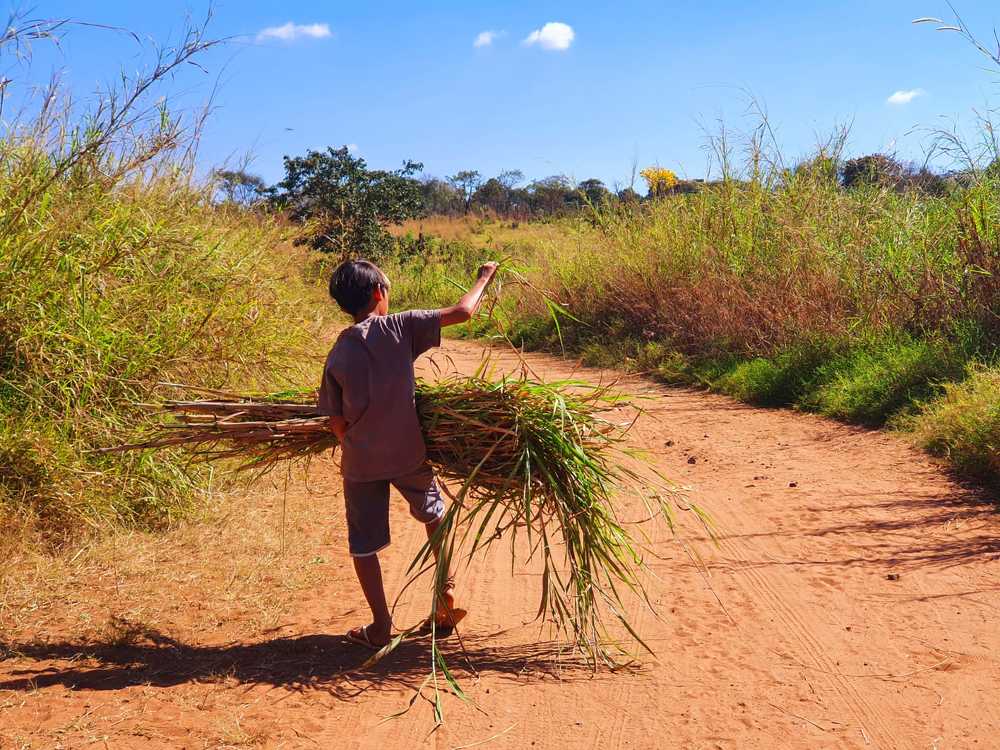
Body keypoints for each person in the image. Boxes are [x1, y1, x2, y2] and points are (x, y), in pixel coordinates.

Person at [318, 258, 499, 649]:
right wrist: (484, 277)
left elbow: (336, 421)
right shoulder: (399, 326)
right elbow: (464, 311)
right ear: (378, 293)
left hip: (361, 461)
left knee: (363, 543)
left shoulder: (338, 350)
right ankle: (445, 591)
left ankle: (381, 625)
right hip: (407, 452)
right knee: (435, 513)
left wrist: (361, 441)